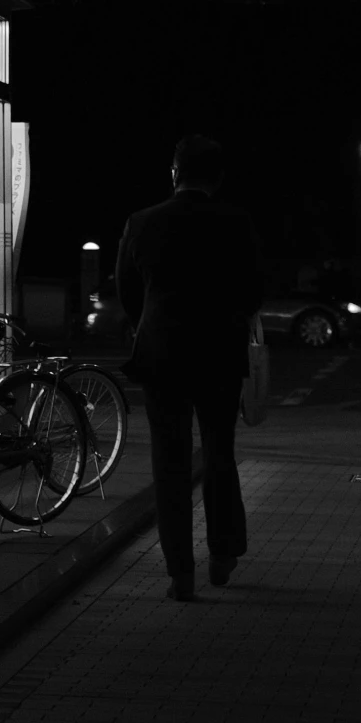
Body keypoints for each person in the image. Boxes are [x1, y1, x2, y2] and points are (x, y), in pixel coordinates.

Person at [114, 134, 265, 600]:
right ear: (217, 178)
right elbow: (254, 291)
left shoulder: (142, 222)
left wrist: (151, 323)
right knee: (219, 451)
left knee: (170, 460)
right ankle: (224, 552)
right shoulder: (237, 223)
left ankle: (181, 571)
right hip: (219, 351)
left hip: (162, 354)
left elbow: (127, 291)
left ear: (174, 173)